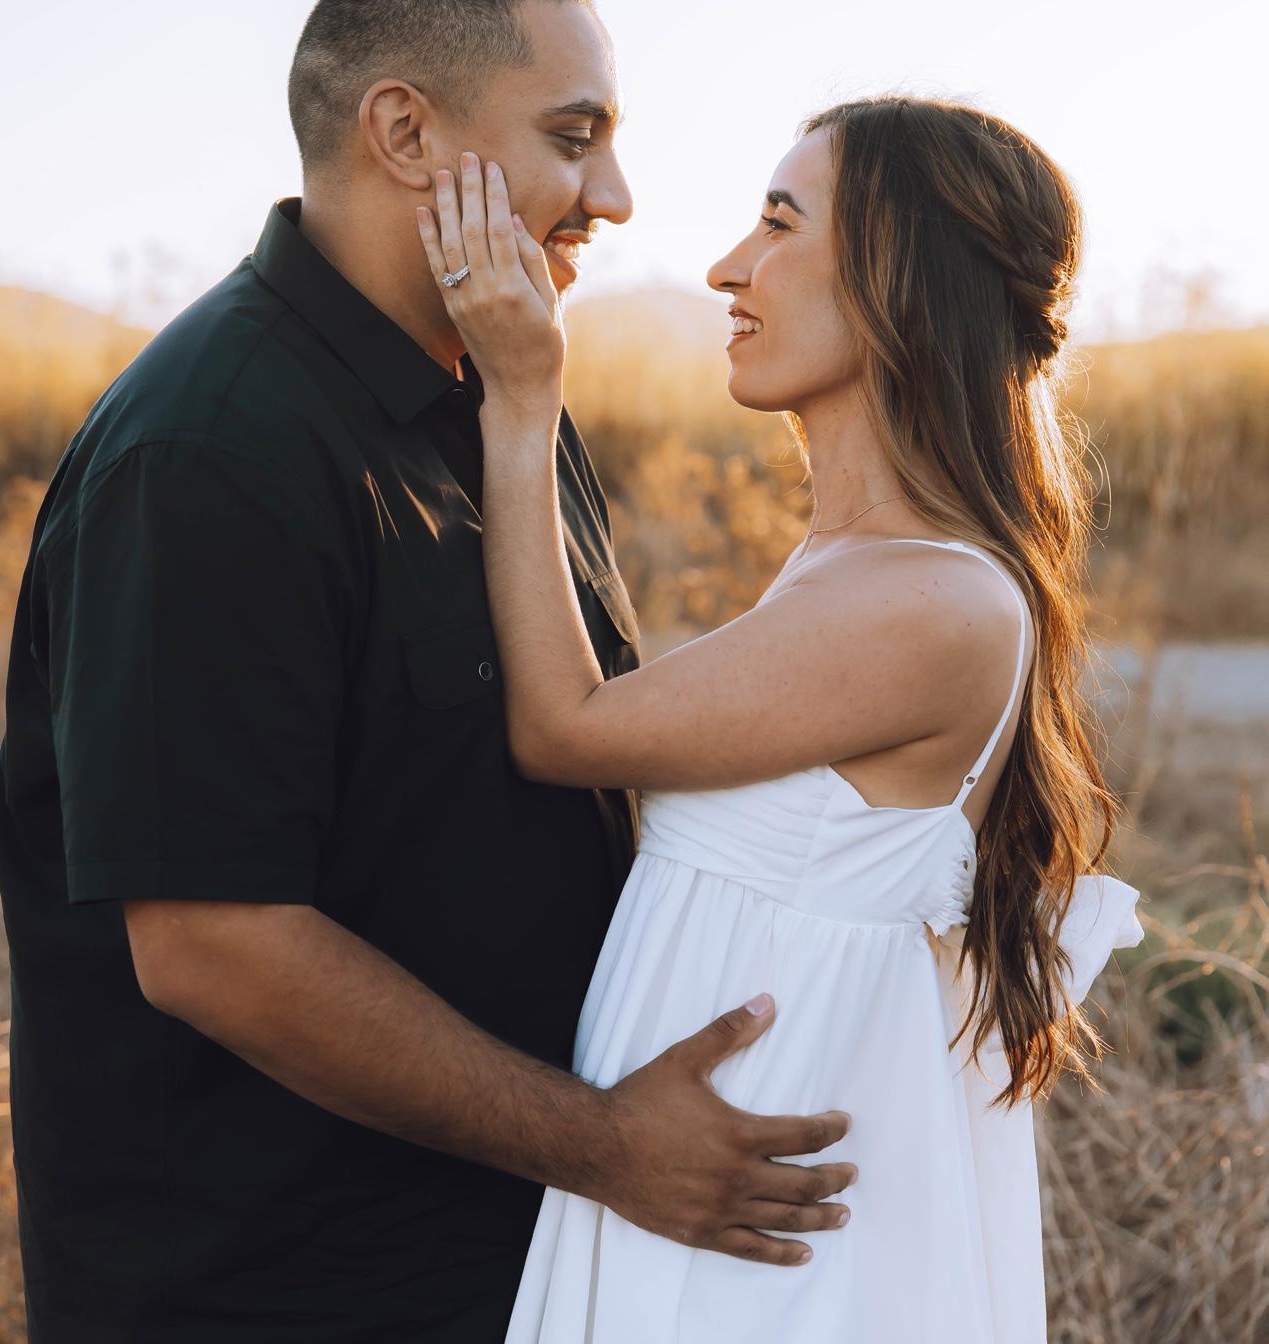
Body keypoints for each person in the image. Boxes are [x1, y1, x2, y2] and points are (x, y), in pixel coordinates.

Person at [0, 2, 856, 1340]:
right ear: (403, 133)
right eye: (573, 138)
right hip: (272, 1290)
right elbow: (217, 946)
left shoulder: (502, 390)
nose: (614, 198)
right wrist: (606, 1144)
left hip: (497, 1258)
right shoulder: (211, 451)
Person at [416, 95, 1144, 1342]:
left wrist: (523, 398)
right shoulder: (857, 566)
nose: (726, 268)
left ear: (899, 275)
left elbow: (565, 730)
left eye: (779, 222)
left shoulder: (932, 600)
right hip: (704, 1187)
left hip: (764, 1247)